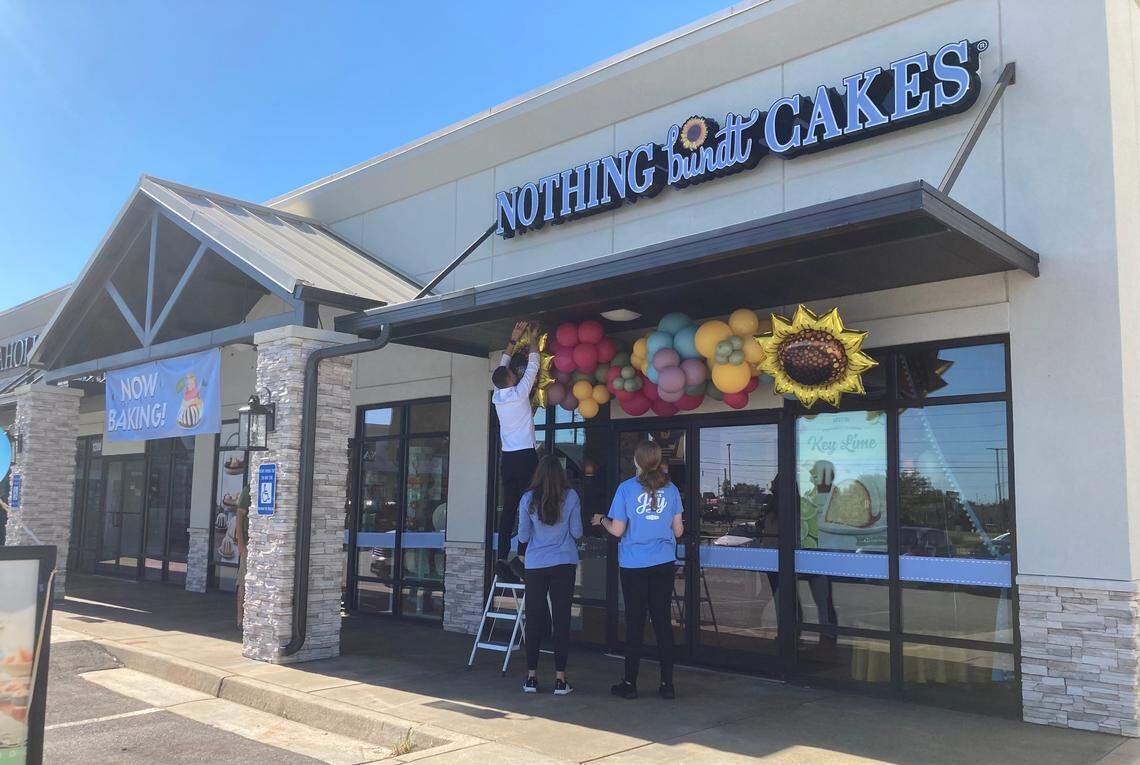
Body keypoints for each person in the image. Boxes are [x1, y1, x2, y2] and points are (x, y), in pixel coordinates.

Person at [593, 440, 684, 700]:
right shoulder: (672, 489)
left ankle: (630, 683)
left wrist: (602, 520)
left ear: (637, 461)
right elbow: (678, 530)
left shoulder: (626, 489)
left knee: (635, 622)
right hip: (664, 562)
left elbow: (618, 530)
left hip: (633, 564)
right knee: (662, 622)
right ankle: (667, 685)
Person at [517, 455, 582, 695]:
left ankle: (531, 677)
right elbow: (577, 531)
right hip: (564, 562)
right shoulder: (572, 496)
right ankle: (560, 679)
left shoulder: (527, 499)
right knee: (561, 619)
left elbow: (523, 536)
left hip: (535, 564)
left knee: (533, 619)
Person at [492, 320, 540, 582]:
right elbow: (532, 367)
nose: (514, 373)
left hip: (507, 459)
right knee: (530, 505)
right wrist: (532, 339)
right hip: (525, 457)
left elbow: (502, 367)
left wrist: (513, 338)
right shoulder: (520, 394)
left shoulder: (497, 397)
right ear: (510, 380)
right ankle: (521, 557)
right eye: (512, 373)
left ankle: (501, 557)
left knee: (509, 507)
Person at [234, 485, 251, 628]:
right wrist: (240, 542)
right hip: (247, 544)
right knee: (243, 582)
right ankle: (240, 619)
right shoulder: (249, 490)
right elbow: (239, 515)